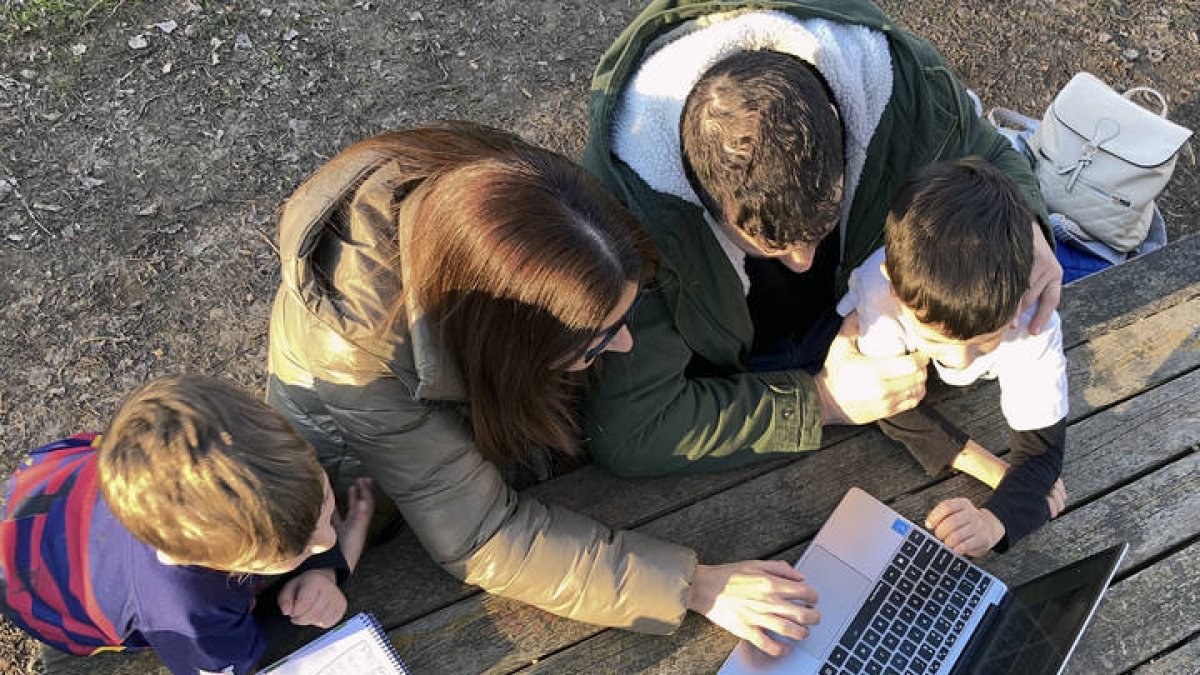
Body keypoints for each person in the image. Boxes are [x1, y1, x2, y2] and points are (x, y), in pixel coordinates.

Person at [265, 121, 820, 656]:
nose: (625, 346)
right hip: (364, 499)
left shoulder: (513, 188)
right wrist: (697, 586)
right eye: (601, 337)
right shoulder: (362, 367)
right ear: (511, 346)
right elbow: (481, 533)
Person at [580, 0, 1064, 476]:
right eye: (769, 248)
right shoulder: (627, 219)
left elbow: (987, 151)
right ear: (697, 192)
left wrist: (1029, 223)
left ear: (837, 120)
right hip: (745, 376)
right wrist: (821, 400)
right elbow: (631, 428)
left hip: (885, 329)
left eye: (822, 227)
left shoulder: (901, 87)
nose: (804, 263)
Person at [0, 375, 374, 674]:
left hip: (50, 494)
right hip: (42, 597)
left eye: (324, 505)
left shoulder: (256, 459)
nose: (327, 539)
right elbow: (232, 659)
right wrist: (333, 568)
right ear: (184, 555)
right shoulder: (185, 609)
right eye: (301, 548)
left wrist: (316, 562)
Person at [840, 158, 1069, 556]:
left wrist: (992, 522)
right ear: (895, 290)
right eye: (935, 339)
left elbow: (1042, 454)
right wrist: (997, 471)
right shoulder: (879, 294)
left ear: (1022, 299)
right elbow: (889, 406)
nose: (960, 361)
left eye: (984, 341)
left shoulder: (1034, 325)